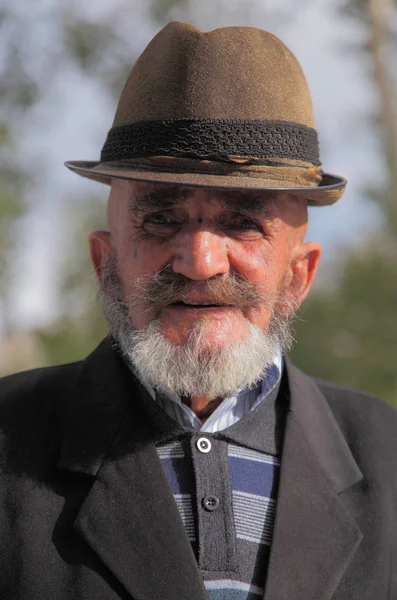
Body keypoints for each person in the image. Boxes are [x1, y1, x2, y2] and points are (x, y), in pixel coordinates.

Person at [0, 21, 396, 600]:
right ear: (105, 263)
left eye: (243, 221)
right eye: (161, 219)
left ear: (298, 276)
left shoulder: (388, 453)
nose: (200, 261)